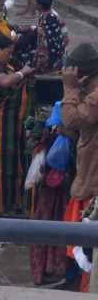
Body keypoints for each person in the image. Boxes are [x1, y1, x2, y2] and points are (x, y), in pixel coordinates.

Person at [0, 35, 35, 217]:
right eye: (8, 53)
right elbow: (5, 82)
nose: (10, 57)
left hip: (2, 128)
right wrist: (23, 73)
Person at [60, 43, 98, 293]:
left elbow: (72, 119)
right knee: (76, 244)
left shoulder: (95, 95)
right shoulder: (90, 92)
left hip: (92, 185)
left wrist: (69, 89)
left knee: (86, 248)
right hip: (86, 179)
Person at [14, 0, 68, 74]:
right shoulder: (44, 14)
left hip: (53, 51)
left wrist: (20, 41)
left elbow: (41, 33)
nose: (33, 2)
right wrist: (28, 29)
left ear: (40, 6)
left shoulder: (50, 16)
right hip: (50, 47)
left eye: (35, 1)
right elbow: (40, 29)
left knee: (21, 52)